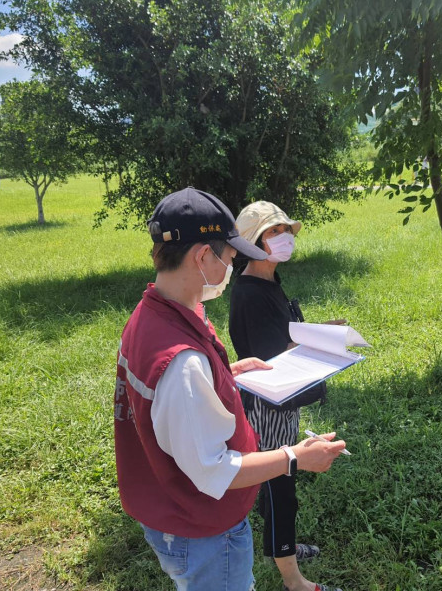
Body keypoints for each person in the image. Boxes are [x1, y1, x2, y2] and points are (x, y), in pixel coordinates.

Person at [113, 188, 346, 591]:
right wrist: (295, 457)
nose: (232, 264)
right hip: (201, 529)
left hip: (169, 511)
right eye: (229, 256)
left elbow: (167, 400)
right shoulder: (183, 364)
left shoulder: (150, 316)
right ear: (203, 257)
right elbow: (214, 469)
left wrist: (225, 372)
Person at [229, 201, 344, 591]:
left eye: (286, 231)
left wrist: (320, 332)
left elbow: (283, 336)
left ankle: (285, 546)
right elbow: (273, 362)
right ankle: (293, 579)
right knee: (281, 484)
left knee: (280, 479)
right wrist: (318, 351)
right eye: (273, 232)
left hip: (281, 402)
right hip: (269, 404)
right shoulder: (249, 294)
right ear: (252, 243)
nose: (285, 239)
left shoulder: (267, 281)